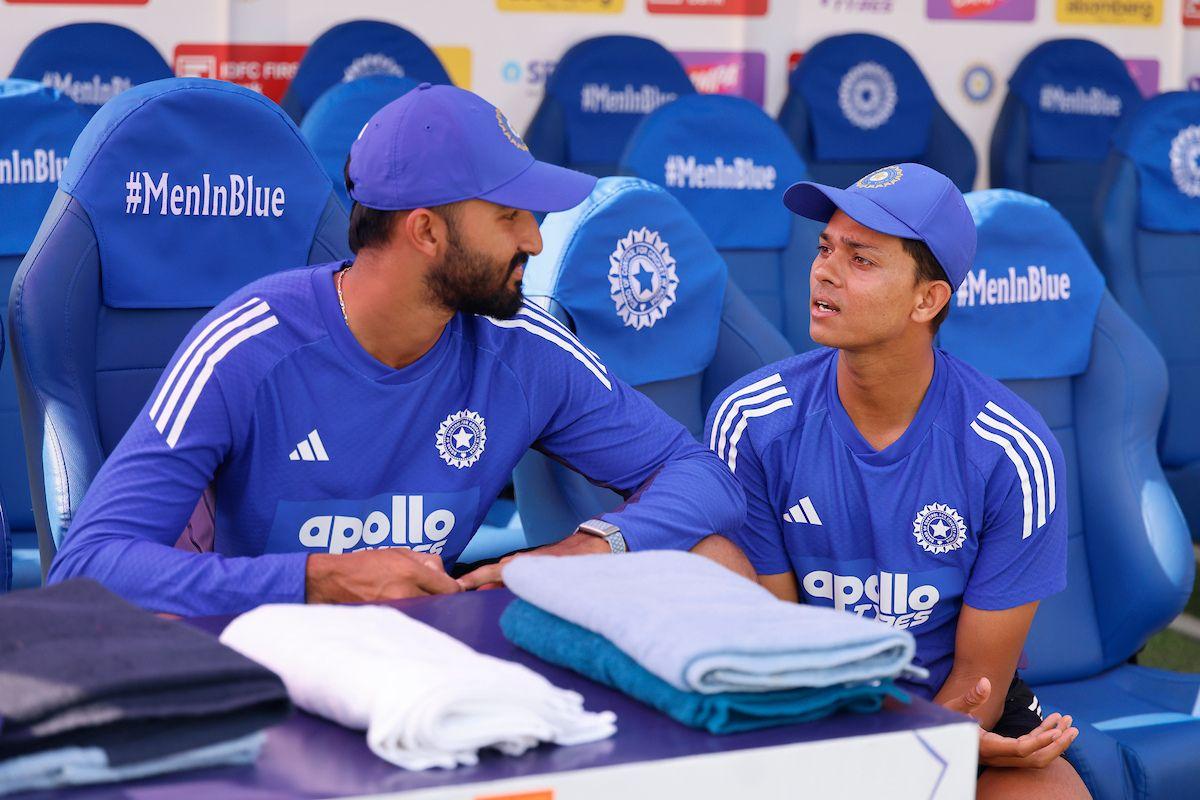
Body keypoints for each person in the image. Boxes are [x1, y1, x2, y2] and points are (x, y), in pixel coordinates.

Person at [47, 84, 746, 616]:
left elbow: (702, 475)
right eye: (509, 217)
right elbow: (86, 567)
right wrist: (316, 578)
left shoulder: (524, 345)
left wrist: (588, 546)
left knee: (721, 561)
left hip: (432, 656)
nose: (535, 240)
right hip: (259, 662)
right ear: (425, 233)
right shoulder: (248, 344)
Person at [706, 163, 1089, 798]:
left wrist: (941, 743)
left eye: (861, 259)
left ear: (927, 300)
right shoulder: (750, 423)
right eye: (825, 248)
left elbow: (978, 680)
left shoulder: (1014, 452)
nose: (824, 271)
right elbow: (769, 653)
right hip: (806, 712)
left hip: (954, 711)